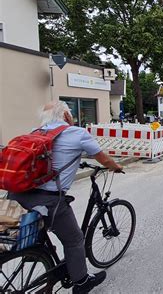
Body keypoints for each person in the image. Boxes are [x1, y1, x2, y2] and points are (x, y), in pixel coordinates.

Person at [8, 101, 123, 294]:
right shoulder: (77, 133)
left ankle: (38, 253)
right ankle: (81, 282)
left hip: (17, 196)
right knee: (74, 239)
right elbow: (103, 159)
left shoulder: (34, 132)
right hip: (48, 200)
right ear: (67, 116)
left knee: (40, 232)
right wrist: (116, 167)